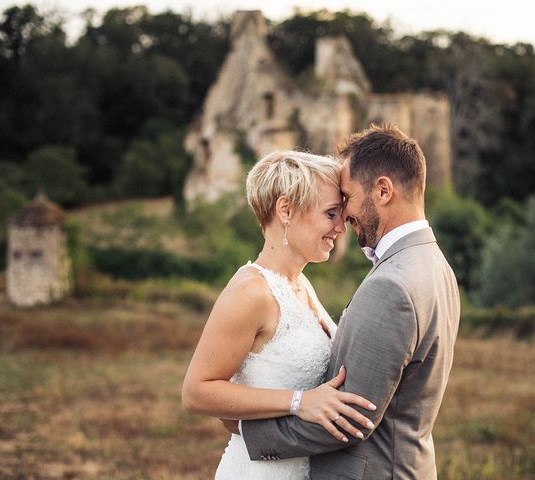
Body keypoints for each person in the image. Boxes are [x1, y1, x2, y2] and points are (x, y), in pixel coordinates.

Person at [237, 124, 461, 479]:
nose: (344, 215)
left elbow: (350, 418)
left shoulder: (392, 284)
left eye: (348, 197)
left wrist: (245, 433)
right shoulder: (434, 264)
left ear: (383, 190)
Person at [182, 150, 377, 480]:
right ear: (286, 209)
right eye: (331, 214)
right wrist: (299, 402)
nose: (340, 229)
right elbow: (196, 392)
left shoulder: (301, 283)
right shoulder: (251, 291)